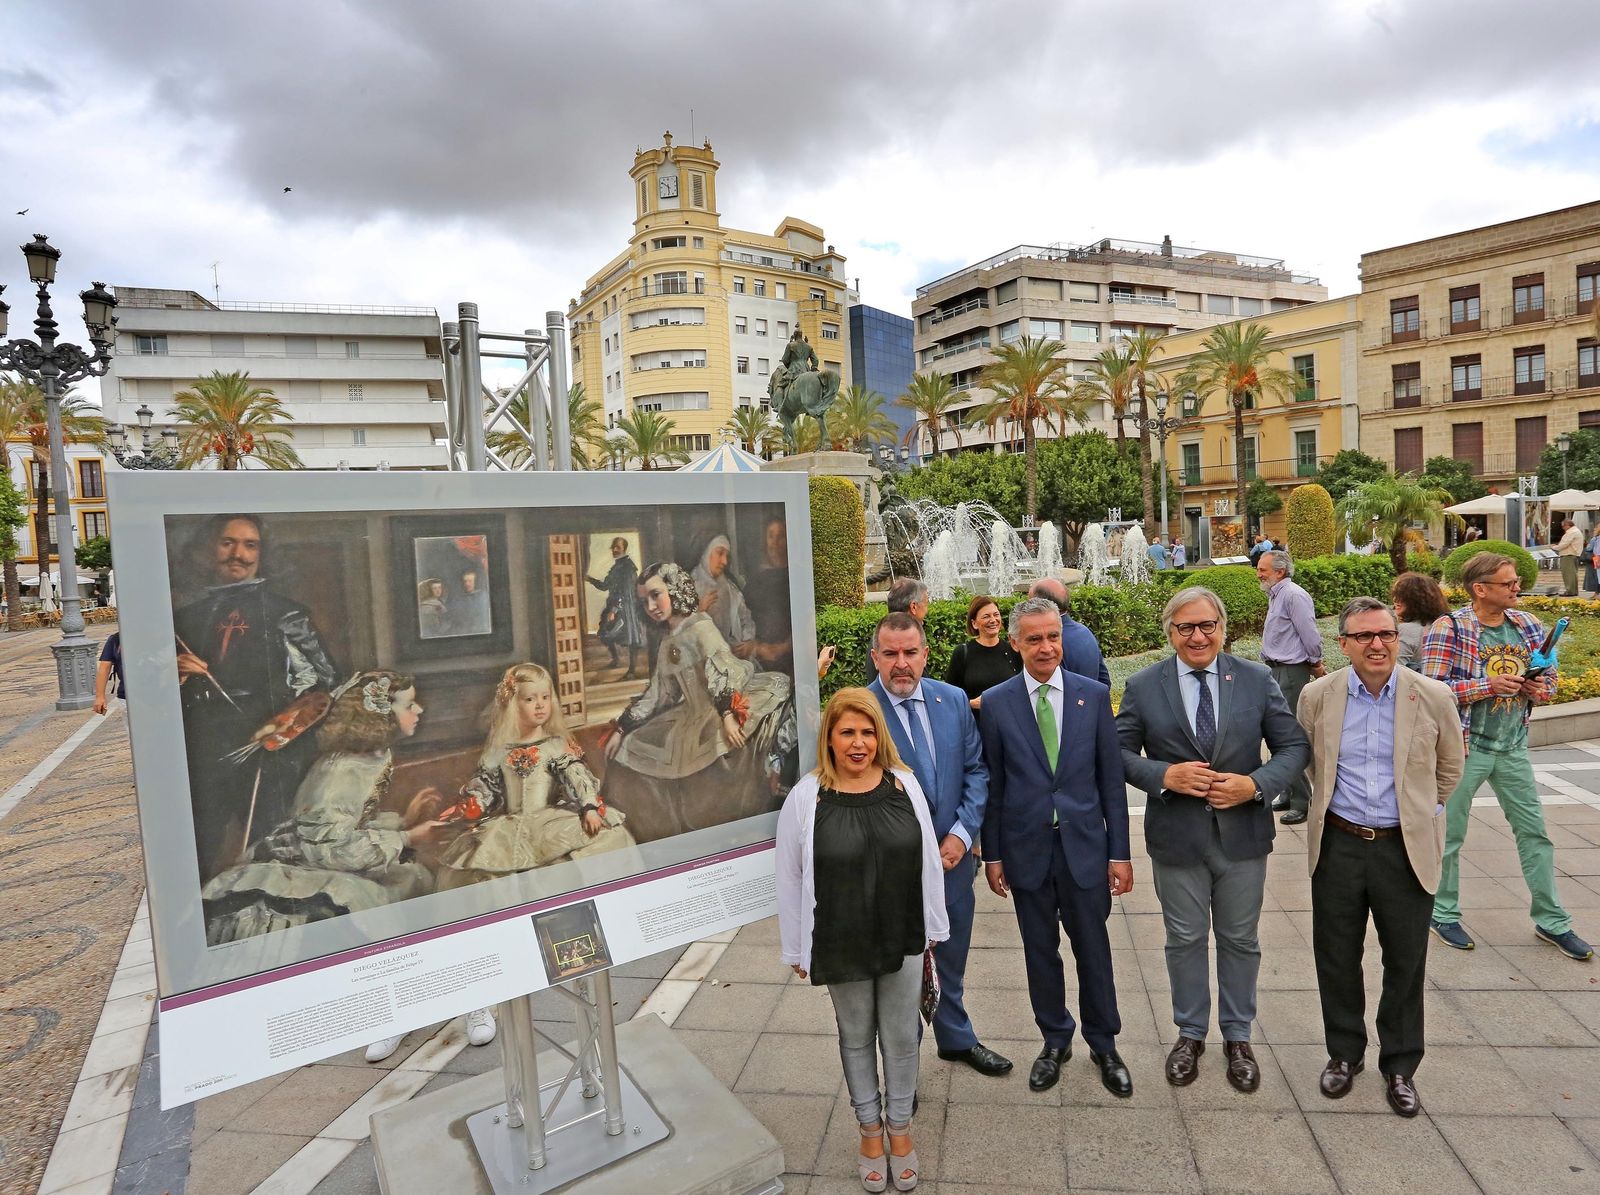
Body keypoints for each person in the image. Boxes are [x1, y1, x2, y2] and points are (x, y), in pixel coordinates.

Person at [1116, 586, 1310, 1093]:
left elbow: (1292, 747)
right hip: (1177, 838)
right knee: (1183, 940)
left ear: (1223, 628)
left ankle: (1238, 1035)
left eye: (1207, 626)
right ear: (1170, 633)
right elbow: (1116, 753)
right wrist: (1163, 775)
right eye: (1185, 628)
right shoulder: (1143, 685)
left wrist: (1257, 786)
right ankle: (1190, 1033)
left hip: (1242, 836)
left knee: (1240, 940)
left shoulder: (1254, 678)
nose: (1197, 636)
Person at [1296, 597, 1463, 1118]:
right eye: (1364, 636)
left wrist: (1418, 813)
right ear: (1343, 643)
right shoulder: (1318, 695)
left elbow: (1450, 766)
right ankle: (1344, 1054)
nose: (1377, 645)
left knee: (1406, 962)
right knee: (1337, 957)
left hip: (1404, 849)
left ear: (1398, 638)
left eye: (1386, 635)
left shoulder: (1432, 696)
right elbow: (1305, 762)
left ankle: (1400, 1065)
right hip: (1340, 845)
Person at [776, 689, 948, 1193]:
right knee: (855, 1036)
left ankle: (899, 1131)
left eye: (867, 732)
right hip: (839, 934)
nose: (858, 743)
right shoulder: (806, 796)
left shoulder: (905, 784)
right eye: (847, 732)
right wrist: (795, 948)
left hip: (901, 931)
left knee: (900, 1038)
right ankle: (869, 1132)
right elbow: (789, 876)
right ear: (829, 737)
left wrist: (934, 928)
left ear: (880, 736)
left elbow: (928, 862)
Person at [979, 597, 1133, 1098]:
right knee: (1039, 950)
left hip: (1085, 849)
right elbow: (995, 785)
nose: (1046, 648)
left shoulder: (1092, 695)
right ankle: (1054, 1039)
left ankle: (1104, 1042)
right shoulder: (999, 702)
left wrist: (1120, 853)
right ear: (1015, 643)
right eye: (1035, 639)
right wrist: (994, 854)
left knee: (1093, 947)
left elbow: (1112, 782)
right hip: (1026, 852)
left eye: (1053, 637)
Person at [1423, 553, 1594, 960]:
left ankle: (1552, 920)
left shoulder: (1529, 625)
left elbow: (1549, 677)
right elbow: (1430, 691)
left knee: (1535, 833)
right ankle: (1442, 913)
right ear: (1480, 589)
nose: (1517, 588)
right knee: (1449, 837)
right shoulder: (1450, 628)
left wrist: (1539, 689)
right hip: (1465, 750)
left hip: (1513, 746)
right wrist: (1488, 685)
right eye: (1508, 584)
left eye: (1516, 582)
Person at [867, 613, 1011, 1081]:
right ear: (876, 657)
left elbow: (977, 770)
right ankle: (902, 1057)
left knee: (951, 954)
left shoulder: (951, 701)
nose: (901, 664)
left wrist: (962, 834)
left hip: (952, 863)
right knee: (901, 967)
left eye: (911, 652)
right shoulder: (860, 711)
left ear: (926, 654)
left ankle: (956, 1037)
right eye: (890, 654)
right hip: (892, 871)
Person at [201, 671, 447, 944]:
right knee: (386, 890)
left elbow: (348, 824)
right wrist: (407, 838)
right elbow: (328, 847)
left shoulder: (373, 757)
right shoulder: (342, 771)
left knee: (414, 877)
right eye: (409, 704)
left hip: (325, 855)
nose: (419, 709)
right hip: (300, 867)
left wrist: (405, 821)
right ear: (381, 713)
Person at [174, 515, 341, 881]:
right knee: (202, 847)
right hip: (205, 746)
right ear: (208, 549)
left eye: (251, 545)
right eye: (227, 542)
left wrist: (281, 727)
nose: (239, 554)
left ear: (263, 554)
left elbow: (324, 682)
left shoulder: (287, 614)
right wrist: (176, 672)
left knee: (269, 848)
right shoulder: (184, 619)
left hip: (270, 753)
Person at [605, 562, 796, 842]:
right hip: (693, 714)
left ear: (674, 590)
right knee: (633, 745)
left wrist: (728, 714)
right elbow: (659, 695)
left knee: (726, 754)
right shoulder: (667, 642)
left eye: (656, 595)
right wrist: (621, 728)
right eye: (644, 601)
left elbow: (720, 671)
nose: (651, 605)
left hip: (726, 702)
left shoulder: (701, 627)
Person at [437, 663, 634, 887]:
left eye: (545, 697)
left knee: (611, 838)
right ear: (513, 704)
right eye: (529, 700)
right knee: (487, 873)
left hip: (549, 821)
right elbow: (486, 784)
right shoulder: (499, 750)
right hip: (511, 826)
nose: (540, 705)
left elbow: (576, 777)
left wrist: (589, 807)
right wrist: (475, 802)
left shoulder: (555, 745)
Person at [1257, 549, 1324, 825]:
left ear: (1280, 572)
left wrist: (1316, 661)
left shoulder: (1294, 595)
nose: (1258, 574)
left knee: (1287, 736)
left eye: (1263, 569)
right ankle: (1286, 791)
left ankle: (1302, 800)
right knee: (1275, 732)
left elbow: (1309, 633)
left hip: (1291, 672)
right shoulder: (1277, 594)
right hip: (1275, 670)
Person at [1027, 577, 1110, 687]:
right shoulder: (1085, 632)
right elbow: (1104, 680)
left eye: (1029, 601)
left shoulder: (1048, 643)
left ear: (1040, 605)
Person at [942, 595, 1022, 709]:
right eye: (986, 616)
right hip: (975, 723)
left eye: (996, 615)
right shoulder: (963, 653)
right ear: (974, 623)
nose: (993, 620)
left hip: (1008, 723)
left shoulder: (1013, 650)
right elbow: (949, 696)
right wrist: (971, 704)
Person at [739, 515, 795, 673]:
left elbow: (804, 621)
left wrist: (782, 648)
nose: (775, 542)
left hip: (790, 660)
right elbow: (744, 616)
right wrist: (757, 647)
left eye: (780, 536)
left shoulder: (794, 576)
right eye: (771, 536)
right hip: (760, 662)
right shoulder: (755, 580)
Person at [588, 536, 646, 678]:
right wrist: (588, 579)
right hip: (616, 605)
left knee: (631, 637)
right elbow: (605, 586)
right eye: (613, 547)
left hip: (626, 608)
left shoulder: (627, 567)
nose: (614, 550)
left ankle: (631, 670)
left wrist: (614, 610)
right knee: (604, 633)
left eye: (617, 547)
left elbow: (625, 591)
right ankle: (616, 660)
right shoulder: (617, 566)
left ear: (623, 549)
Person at [693, 534, 757, 648]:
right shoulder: (689, 586)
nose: (724, 561)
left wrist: (748, 642)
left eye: (727, 555)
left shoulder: (730, 588)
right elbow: (678, 634)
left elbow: (746, 619)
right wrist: (699, 611)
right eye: (720, 553)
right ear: (706, 554)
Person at [1391, 572, 1450, 671]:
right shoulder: (1445, 625)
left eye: (1402, 597)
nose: (1395, 601)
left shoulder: (1407, 630)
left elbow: (1395, 669)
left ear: (1417, 600)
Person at [453, 567, 491, 636]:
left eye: (470, 581)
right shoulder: (459, 599)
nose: (467, 584)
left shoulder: (483, 596)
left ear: (475, 582)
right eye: (465, 581)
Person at [93, 631, 124, 715]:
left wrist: (100, 697)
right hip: (127, 695)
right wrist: (100, 696)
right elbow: (105, 667)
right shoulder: (117, 639)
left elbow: (105, 667)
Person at [1557, 518, 1584, 597]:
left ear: (1567, 525)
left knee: (1568, 574)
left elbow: (1564, 544)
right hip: (1573, 555)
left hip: (1568, 555)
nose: (1562, 528)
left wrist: (1554, 547)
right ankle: (1573, 591)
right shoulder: (1576, 531)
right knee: (1572, 574)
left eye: (1563, 526)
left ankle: (1570, 591)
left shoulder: (1571, 532)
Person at [1586, 525, 1600, 596]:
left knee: (1598, 576)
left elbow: (1592, 549)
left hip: (1598, 558)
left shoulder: (1596, 539)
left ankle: (1596, 594)